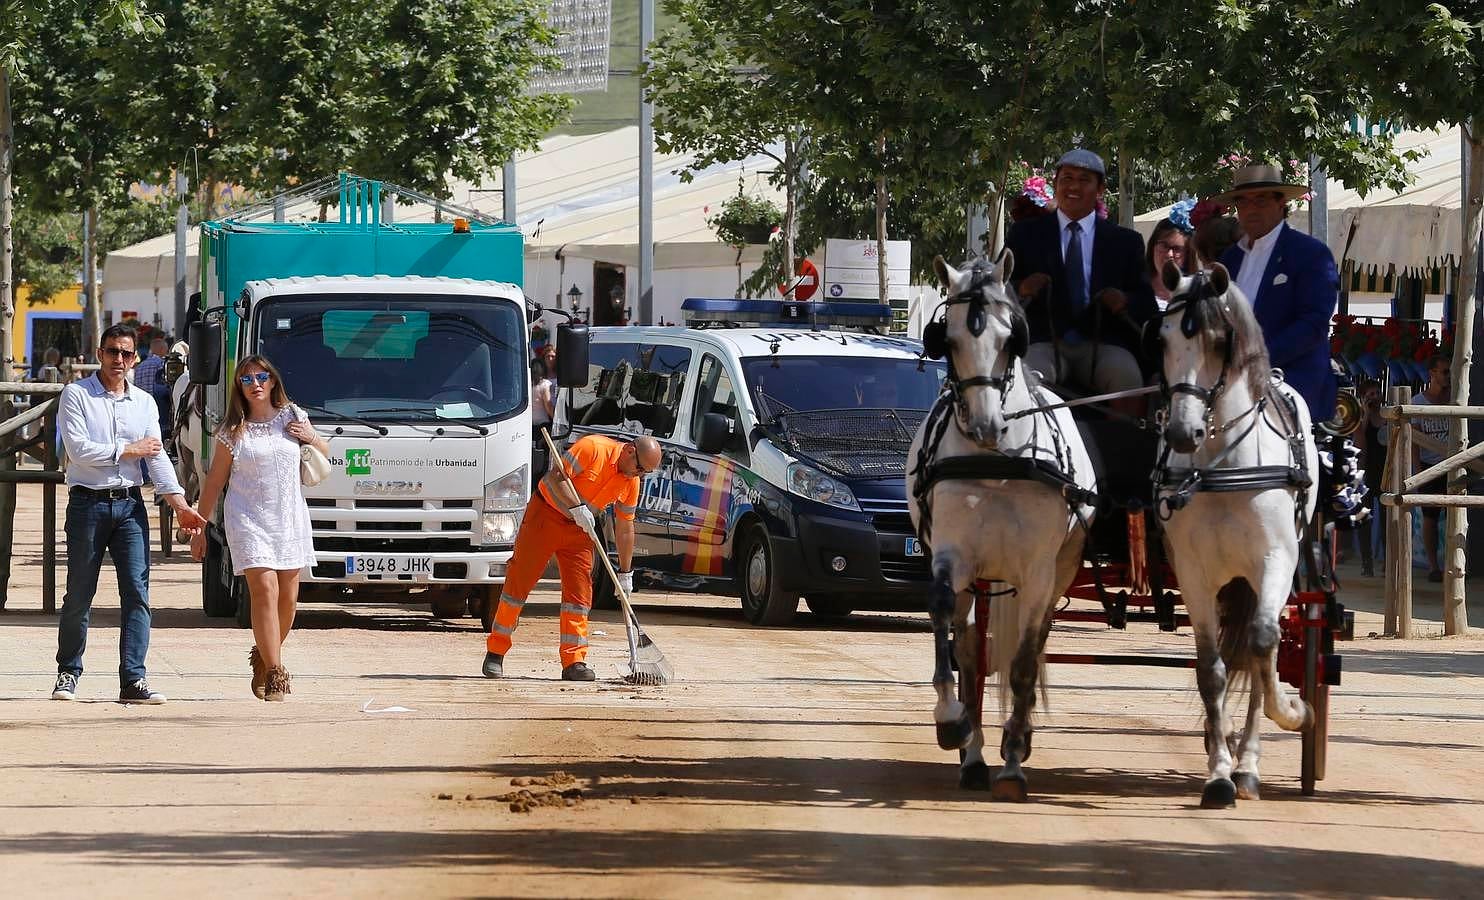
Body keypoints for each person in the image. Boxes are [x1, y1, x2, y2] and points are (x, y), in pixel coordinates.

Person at [52, 324, 206, 704]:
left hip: (129, 506)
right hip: (88, 503)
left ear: (135, 357)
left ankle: (133, 678)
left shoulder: (144, 403)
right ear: (99, 353)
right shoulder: (77, 395)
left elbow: (156, 457)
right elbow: (79, 450)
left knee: (137, 592)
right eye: (111, 352)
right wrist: (128, 449)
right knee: (79, 593)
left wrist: (180, 503)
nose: (117, 360)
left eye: (125, 353)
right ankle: (68, 672)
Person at [191, 355, 326, 700]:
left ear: (273, 381)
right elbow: (214, 483)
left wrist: (311, 435)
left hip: (290, 516)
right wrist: (198, 527)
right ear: (239, 387)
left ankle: (263, 659)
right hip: (248, 519)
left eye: (261, 377)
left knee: (289, 598)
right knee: (264, 590)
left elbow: (326, 454)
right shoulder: (231, 431)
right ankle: (277, 673)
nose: (255, 384)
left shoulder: (293, 417)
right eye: (247, 380)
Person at [483, 433, 662, 681]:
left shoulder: (631, 481)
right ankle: (496, 652)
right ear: (630, 450)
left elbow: (625, 527)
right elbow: (556, 477)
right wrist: (575, 507)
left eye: (645, 473)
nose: (638, 475)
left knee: (579, 595)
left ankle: (574, 661)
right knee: (518, 584)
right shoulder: (592, 448)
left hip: (580, 531)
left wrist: (625, 572)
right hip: (545, 516)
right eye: (639, 468)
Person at [1005, 148, 1157, 403]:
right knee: (1023, 379)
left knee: (1128, 378)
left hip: (1103, 345)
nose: (1073, 186)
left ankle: (1126, 443)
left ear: (1100, 190)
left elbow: (1147, 304)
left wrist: (1125, 300)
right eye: (1067, 178)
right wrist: (1021, 288)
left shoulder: (1126, 242)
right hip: (1044, 343)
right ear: (1055, 184)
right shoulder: (1024, 234)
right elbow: (998, 290)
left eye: (1084, 180)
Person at [1215, 164, 1340, 421]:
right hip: (1231, 381)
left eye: (1260, 200)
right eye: (1243, 202)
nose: (1251, 208)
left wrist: (1256, 360)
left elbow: (1313, 324)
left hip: (1291, 379)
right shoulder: (1229, 260)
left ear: (1281, 202)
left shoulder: (1310, 253)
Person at [1407, 355, 1452, 583]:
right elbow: (1413, 440)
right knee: (1430, 517)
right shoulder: (1418, 402)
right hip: (1429, 465)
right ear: (1432, 373)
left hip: (1453, 464)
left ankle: (1453, 564)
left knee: (1457, 513)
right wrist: (1417, 472)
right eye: (1444, 372)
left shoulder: (1456, 399)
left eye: (1449, 372)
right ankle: (1434, 566)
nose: (1448, 376)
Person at [1145, 218, 1195, 309]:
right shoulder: (1136, 287)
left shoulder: (1195, 291)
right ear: (1152, 247)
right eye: (1164, 246)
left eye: (1177, 249)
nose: (1169, 255)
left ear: (1188, 254)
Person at [132, 336, 173, 437]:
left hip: (139, 406)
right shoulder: (162, 364)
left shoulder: (140, 366)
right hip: (158, 406)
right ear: (162, 350)